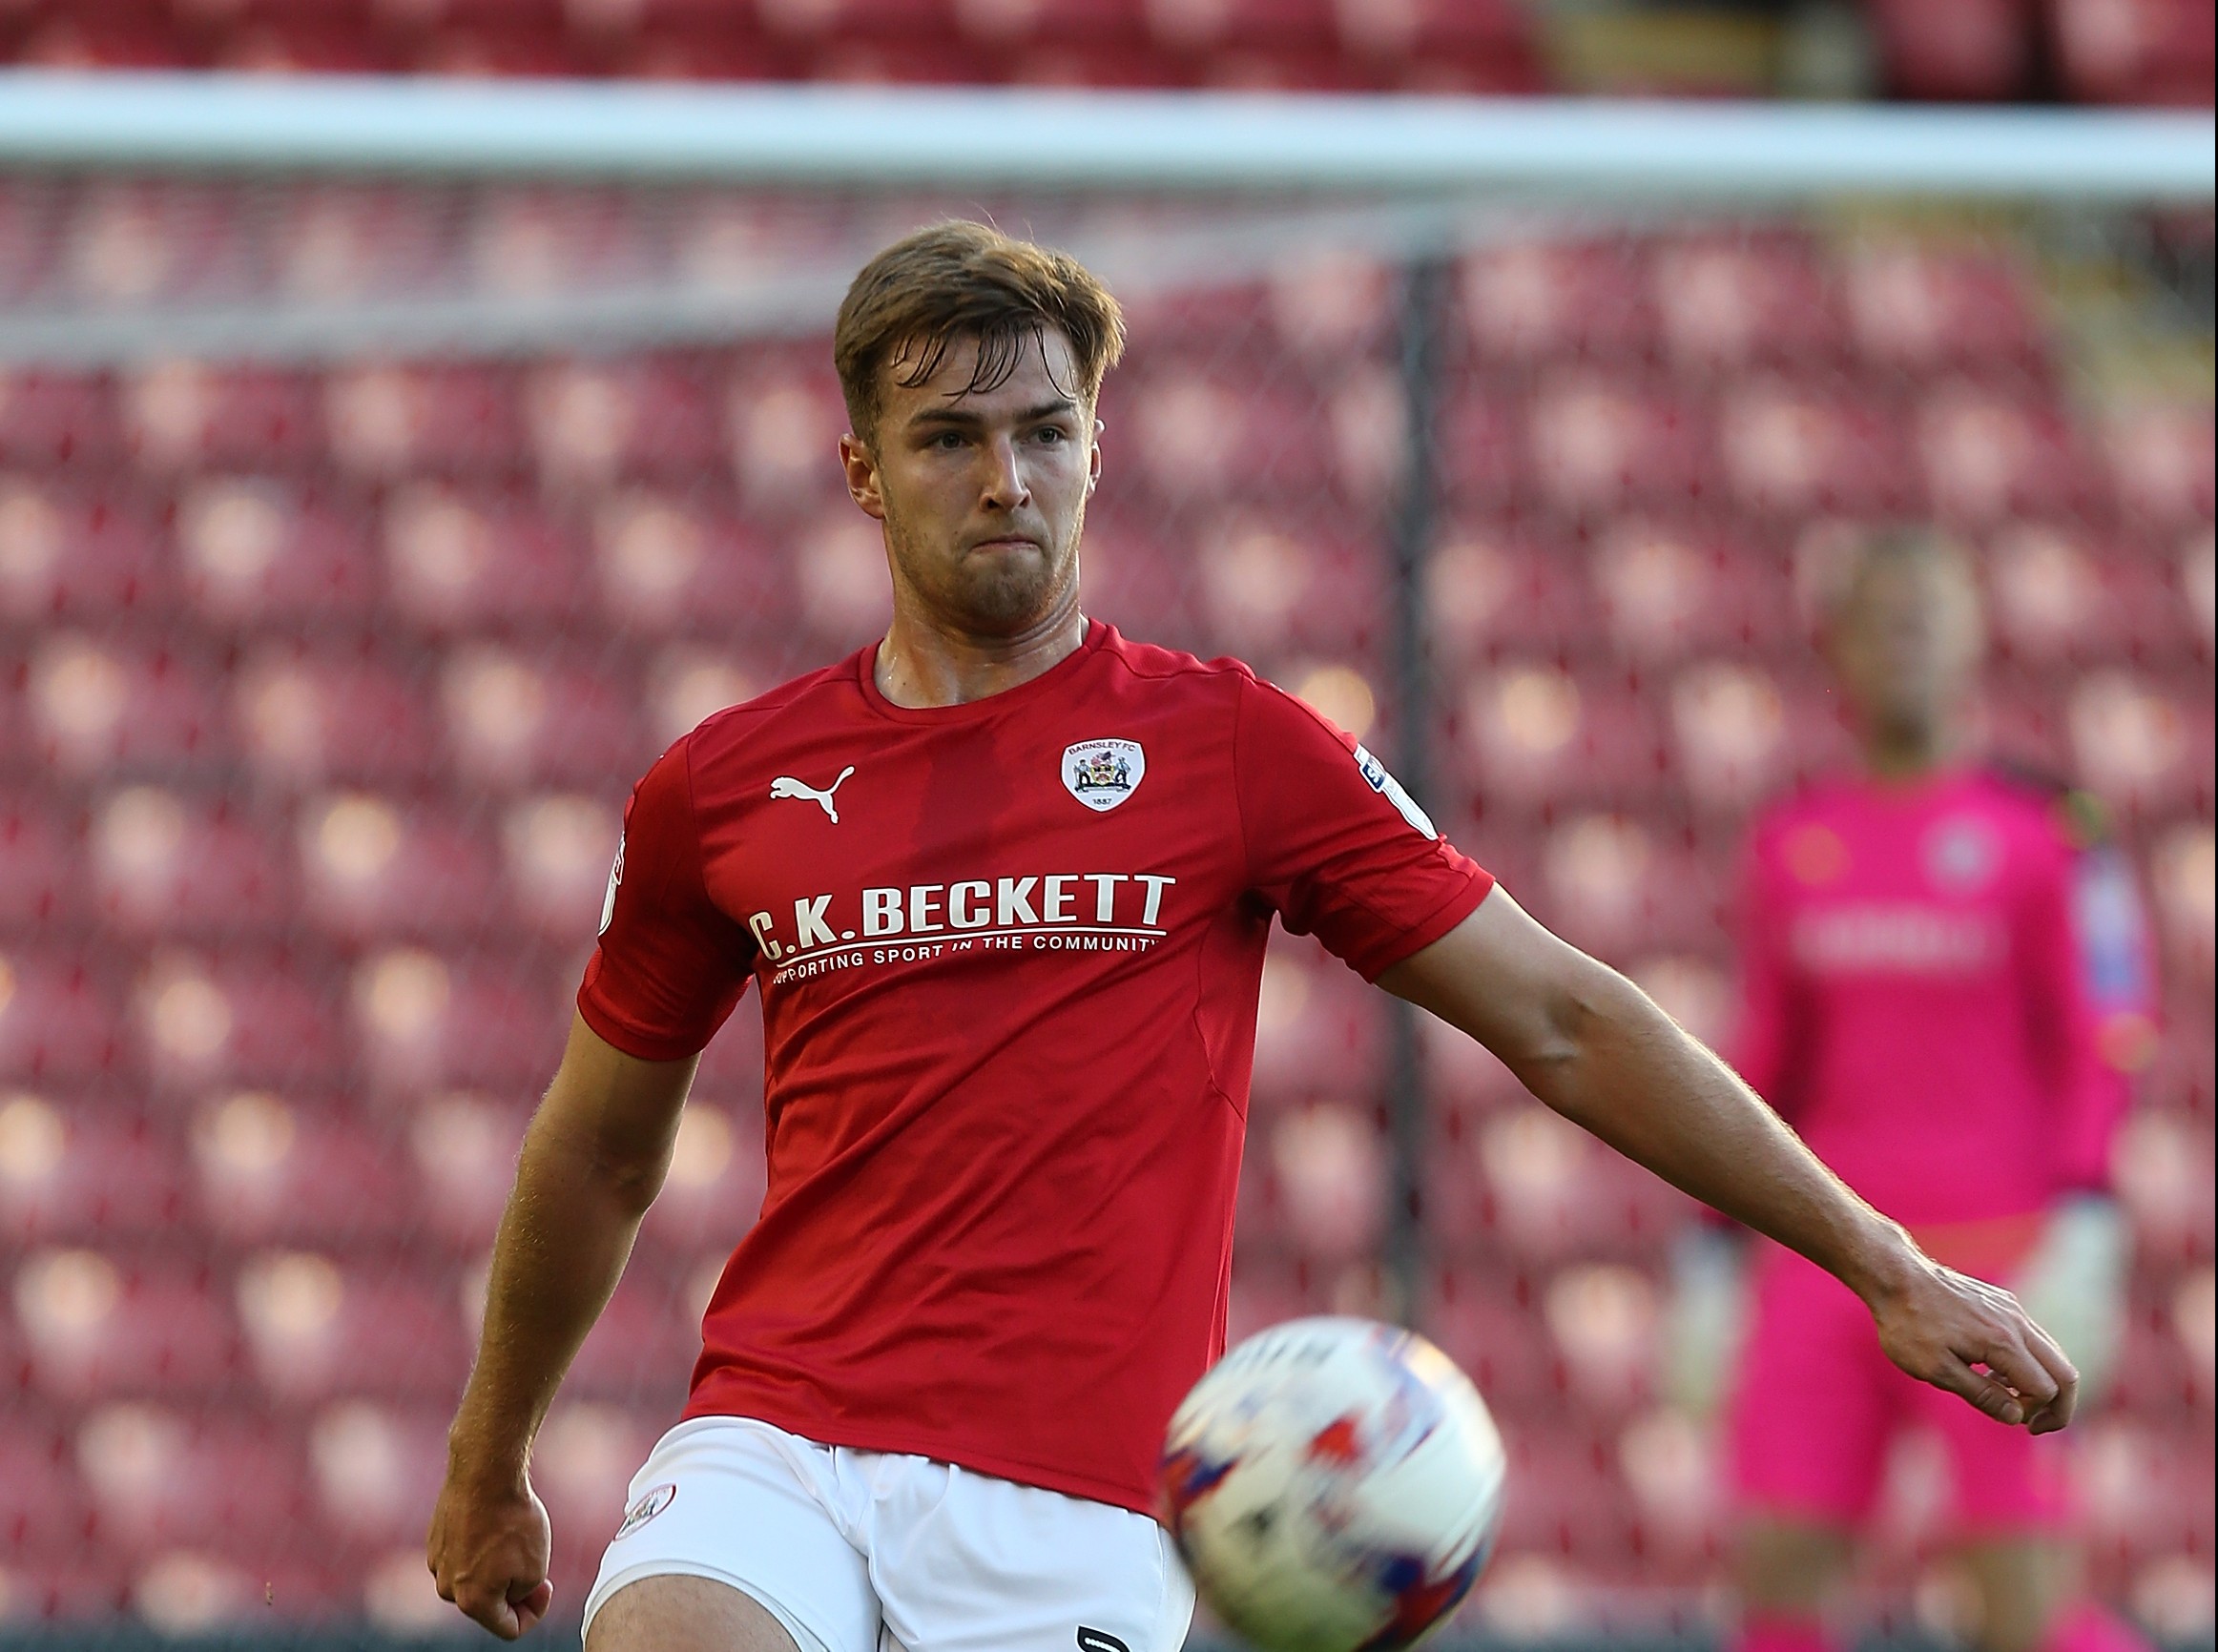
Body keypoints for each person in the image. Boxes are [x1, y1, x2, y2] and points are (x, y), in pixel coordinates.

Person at [425, 223, 2080, 1652]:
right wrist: (490, 1456)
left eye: (1044, 429)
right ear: (861, 468)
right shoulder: (724, 786)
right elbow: (598, 1150)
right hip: (773, 1429)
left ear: (1098, 448)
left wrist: (1884, 1261)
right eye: (947, 438)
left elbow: (1561, 1018)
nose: (1006, 478)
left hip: (1067, 1490)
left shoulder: (1230, 745)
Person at [1724, 530, 2151, 1652]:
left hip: (2001, 1259)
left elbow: (2104, 1038)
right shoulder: (1795, 840)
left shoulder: (2050, 834)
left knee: (2021, 1604)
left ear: (1974, 639)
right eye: (1882, 620)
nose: (1905, 642)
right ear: (1839, 649)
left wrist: (2087, 1216)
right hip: (1832, 1255)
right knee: (1777, 1577)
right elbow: (1762, 1053)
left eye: (1928, 616)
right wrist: (1710, 1241)